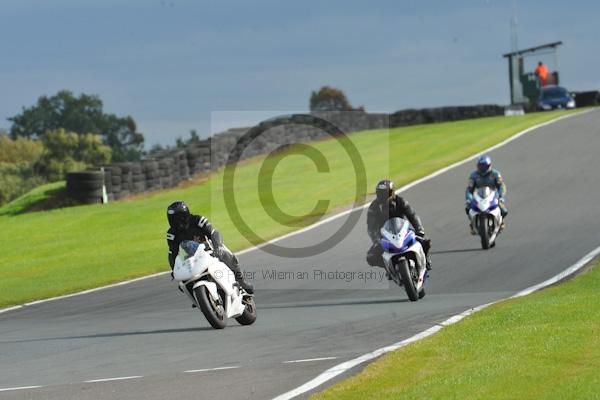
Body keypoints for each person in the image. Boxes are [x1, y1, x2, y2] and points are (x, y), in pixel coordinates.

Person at [166, 201, 254, 294]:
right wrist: (174, 269)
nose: (177, 222)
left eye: (179, 219)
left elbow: (214, 233)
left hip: (209, 251)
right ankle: (198, 299)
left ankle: (242, 282)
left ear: (185, 215)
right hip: (190, 260)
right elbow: (172, 252)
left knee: (225, 254)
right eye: (173, 220)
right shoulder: (171, 234)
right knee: (182, 283)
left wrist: (218, 247)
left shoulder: (197, 220)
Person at [366, 179, 432, 271]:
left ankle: (426, 260)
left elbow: (412, 215)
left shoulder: (400, 201)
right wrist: (376, 240)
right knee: (370, 257)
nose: (383, 196)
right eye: (380, 193)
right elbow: (371, 227)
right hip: (385, 237)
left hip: (403, 231)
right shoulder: (373, 207)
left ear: (392, 192)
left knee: (425, 242)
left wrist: (419, 229)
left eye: (385, 193)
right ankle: (388, 267)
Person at [465, 155, 507, 234]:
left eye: (484, 166)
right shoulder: (474, 175)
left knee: (504, 210)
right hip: (479, 195)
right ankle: (472, 224)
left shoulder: (495, 174)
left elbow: (501, 186)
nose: (482, 168)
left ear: (489, 165)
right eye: (480, 166)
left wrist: (501, 196)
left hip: (494, 194)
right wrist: (468, 199)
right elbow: (469, 189)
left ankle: (501, 222)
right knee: (468, 208)